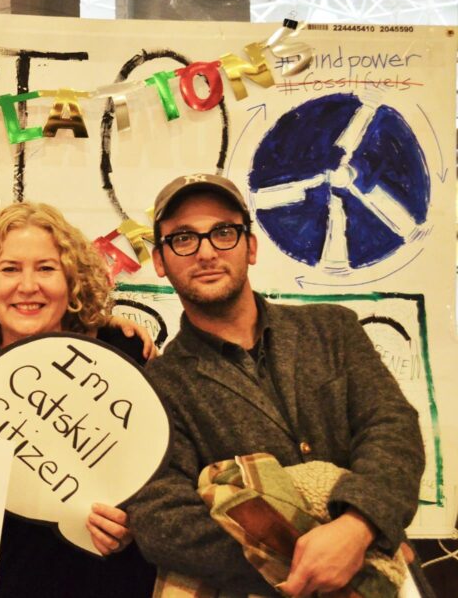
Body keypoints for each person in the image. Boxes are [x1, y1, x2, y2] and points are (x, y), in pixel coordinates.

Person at [127, 173, 427, 597]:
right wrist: (308, 560)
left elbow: (391, 429)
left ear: (250, 245)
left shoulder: (333, 329)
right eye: (183, 239)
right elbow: (162, 519)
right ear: (160, 260)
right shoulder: (157, 386)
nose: (206, 252)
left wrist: (359, 527)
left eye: (224, 232)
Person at [0, 201, 157, 598]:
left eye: (46, 268)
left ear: (72, 280)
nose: (28, 286)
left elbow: (167, 478)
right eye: (9, 269)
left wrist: (136, 521)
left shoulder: (122, 354)